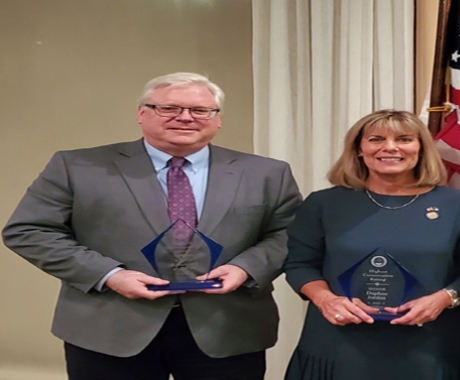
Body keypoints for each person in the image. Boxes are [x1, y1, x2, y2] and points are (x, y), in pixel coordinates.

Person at [2, 72, 302, 380]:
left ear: (217, 119)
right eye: (169, 108)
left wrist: (246, 269)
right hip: (109, 329)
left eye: (200, 110)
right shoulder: (77, 167)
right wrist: (110, 275)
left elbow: (292, 235)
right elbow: (29, 230)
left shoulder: (267, 173)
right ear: (142, 113)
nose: (185, 118)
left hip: (228, 328)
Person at [282, 109, 460, 380]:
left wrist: (445, 298)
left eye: (404, 139)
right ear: (359, 149)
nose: (390, 147)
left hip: (432, 345)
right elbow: (300, 264)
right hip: (339, 343)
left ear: (421, 149)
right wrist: (327, 300)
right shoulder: (323, 204)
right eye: (376, 139)